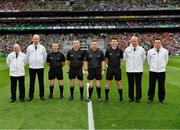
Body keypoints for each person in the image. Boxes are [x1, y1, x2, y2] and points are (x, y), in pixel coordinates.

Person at [123, 36, 146, 103]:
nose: (134, 42)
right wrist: (129, 65)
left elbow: (143, 59)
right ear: (130, 41)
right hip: (130, 70)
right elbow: (125, 58)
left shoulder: (141, 49)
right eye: (133, 41)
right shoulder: (127, 49)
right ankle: (131, 97)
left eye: (135, 41)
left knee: (138, 84)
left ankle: (138, 98)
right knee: (130, 84)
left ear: (137, 41)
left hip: (139, 70)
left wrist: (138, 65)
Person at [147, 38, 169, 104]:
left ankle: (161, 99)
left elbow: (166, 60)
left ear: (161, 43)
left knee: (161, 85)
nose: (157, 44)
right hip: (152, 71)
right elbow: (149, 61)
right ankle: (150, 98)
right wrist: (152, 67)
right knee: (151, 85)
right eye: (156, 43)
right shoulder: (150, 51)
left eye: (158, 42)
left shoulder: (165, 51)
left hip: (162, 71)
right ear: (154, 43)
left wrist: (162, 67)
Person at [26, 34, 47, 101]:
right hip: (32, 67)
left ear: (39, 39)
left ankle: (42, 96)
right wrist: (30, 63)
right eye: (35, 39)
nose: (36, 40)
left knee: (41, 82)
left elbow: (44, 57)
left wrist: (41, 63)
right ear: (32, 39)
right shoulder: (29, 47)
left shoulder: (42, 47)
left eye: (37, 39)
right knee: (32, 82)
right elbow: (27, 57)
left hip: (40, 67)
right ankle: (30, 96)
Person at [104, 38, 124, 103]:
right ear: (111, 42)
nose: (114, 42)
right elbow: (106, 59)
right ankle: (106, 97)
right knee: (108, 83)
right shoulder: (108, 50)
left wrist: (117, 65)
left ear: (117, 42)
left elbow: (121, 59)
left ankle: (121, 97)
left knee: (119, 83)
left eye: (115, 41)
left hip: (117, 69)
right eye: (113, 41)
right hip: (110, 68)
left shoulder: (120, 50)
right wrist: (109, 65)